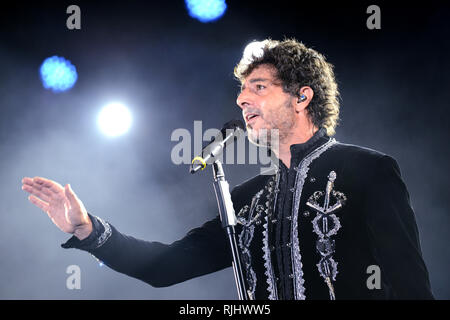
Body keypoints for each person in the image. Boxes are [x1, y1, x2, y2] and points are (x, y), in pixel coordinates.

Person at [21, 39, 434, 300]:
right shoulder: (247, 200)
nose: (242, 99)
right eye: (241, 90)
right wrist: (88, 230)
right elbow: (166, 268)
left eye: (259, 87)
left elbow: (410, 285)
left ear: (302, 97)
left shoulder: (368, 170)